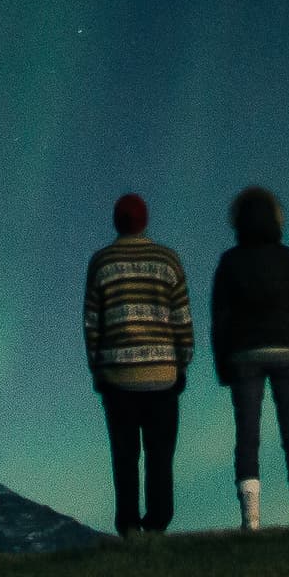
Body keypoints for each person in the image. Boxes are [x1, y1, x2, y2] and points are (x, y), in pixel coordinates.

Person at [210, 183, 289, 530]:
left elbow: (221, 319)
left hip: (244, 354)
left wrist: (222, 364)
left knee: (247, 434)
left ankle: (251, 520)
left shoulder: (229, 262)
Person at [81, 190, 192, 536]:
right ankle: (157, 524)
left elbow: (91, 323)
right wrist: (181, 362)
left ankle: (128, 526)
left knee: (125, 456)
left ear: (117, 222)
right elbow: (182, 319)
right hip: (162, 374)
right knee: (160, 456)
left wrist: (98, 367)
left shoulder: (102, 262)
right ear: (145, 221)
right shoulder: (168, 261)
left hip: (117, 377)